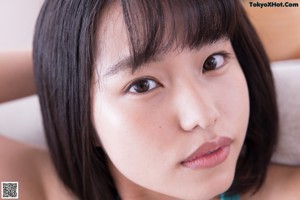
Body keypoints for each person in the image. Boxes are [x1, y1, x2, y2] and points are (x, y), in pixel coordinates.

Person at [1, 0, 300, 199]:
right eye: (143, 85)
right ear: (83, 116)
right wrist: (65, 64)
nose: (203, 114)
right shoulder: (17, 188)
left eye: (212, 62)